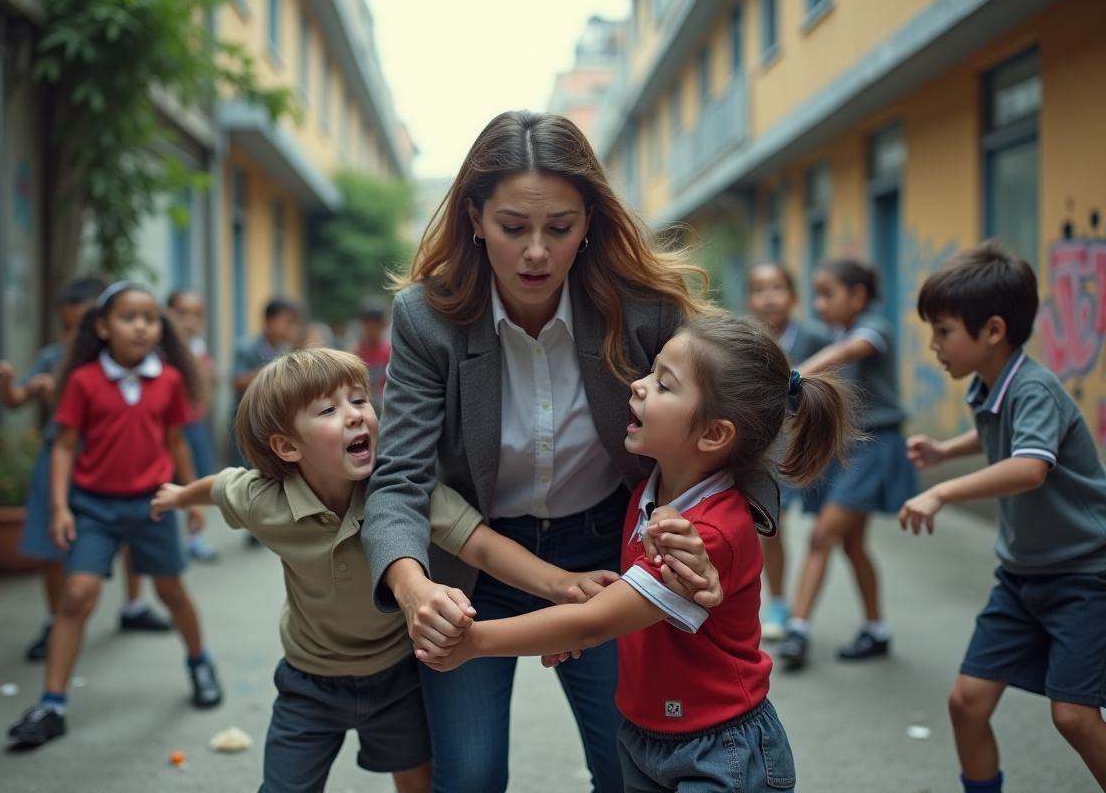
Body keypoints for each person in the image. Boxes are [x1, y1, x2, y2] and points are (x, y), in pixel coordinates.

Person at [363, 110, 779, 793]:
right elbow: (399, 478)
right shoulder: (425, 318)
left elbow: (745, 414)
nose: (536, 252)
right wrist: (415, 589)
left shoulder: (644, 306)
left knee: (627, 769)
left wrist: (722, 542)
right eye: (513, 227)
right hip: (473, 565)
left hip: (609, 557)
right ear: (474, 217)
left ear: (589, 222)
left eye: (559, 228)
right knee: (468, 777)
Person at [419, 312, 859, 792]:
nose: (638, 384)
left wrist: (473, 642)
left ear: (714, 434)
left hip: (719, 751)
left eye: (664, 385)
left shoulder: (709, 532)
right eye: (652, 371)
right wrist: (577, 624)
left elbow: (595, 622)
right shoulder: (649, 495)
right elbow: (619, 617)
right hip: (647, 738)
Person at [149, 348, 621, 793]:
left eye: (358, 400)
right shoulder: (263, 501)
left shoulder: (402, 491)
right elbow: (220, 487)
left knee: (417, 783)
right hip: (309, 681)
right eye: (328, 410)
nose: (356, 414)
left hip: (398, 675)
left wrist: (560, 583)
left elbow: (480, 546)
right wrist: (179, 496)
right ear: (287, 446)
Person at [901, 242, 1106, 793]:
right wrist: (945, 450)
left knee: (1075, 716)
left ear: (992, 330)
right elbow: (994, 430)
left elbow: (1030, 466)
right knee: (966, 703)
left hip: (1084, 577)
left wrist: (942, 491)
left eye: (943, 331)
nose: (934, 345)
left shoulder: (1034, 386)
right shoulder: (992, 383)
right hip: (1020, 578)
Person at [7, 282, 221, 747]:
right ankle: (52, 705)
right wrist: (60, 507)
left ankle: (200, 663)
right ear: (102, 327)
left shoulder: (168, 380)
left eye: (150, 318)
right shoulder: (83, 381)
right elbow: (64, 446)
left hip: (153, 505)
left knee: (172, 592)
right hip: (94, 507)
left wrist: (189, 498)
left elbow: (177, 442)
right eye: (128, 317)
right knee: (75, 597)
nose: (141, 326)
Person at [0, 277, 168, 662]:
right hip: (61, 459)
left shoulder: (123, 363)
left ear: (101, 323)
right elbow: (16, 399)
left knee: (132, 532)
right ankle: (56, 620)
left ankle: (134, 605)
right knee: (55, 541)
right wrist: (12, 387)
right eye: (66, 326)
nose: (73, 335)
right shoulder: (55, 360)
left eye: (80, 325)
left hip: (109, 463)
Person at [779, 258, 918, 670]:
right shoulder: (837, 332)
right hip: (849, 449)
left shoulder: (874, 329)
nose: (819, 305)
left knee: (822, 536)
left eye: (828, 295)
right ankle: (877, 630)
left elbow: (848, 351)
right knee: (852, 544)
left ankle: (797, 629)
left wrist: (793, 376)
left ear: (858, 295)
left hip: (874, 447)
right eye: (817, 295)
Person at [745, 263, 832, 640]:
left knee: (831, 534)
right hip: (769, 453)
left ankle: (872, 622)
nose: (769, 297)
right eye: (759, 289)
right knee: (772, 530)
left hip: (812, 450)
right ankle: (780, 605)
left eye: (777, 288)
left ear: (794, 296)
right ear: (749, 300)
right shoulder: (749, 343)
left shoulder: (816, 339)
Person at [167, 289, 220, 561]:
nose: (190, 321)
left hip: (194, 424)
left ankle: (195, 537)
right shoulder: (164, 351)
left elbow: (207, 390)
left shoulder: (200, 350)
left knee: (197, 482)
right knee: (167, 482)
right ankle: (168, 537)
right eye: (182, 314)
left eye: (197, 315)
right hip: (167, 429)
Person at [233, 298, 300, 465]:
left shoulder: (283, 349)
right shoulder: (246, 347)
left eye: (294, 325)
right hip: (247, 417)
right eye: (287, 323)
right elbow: (236, 381)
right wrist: (271, 372)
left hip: (269, 419)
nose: (291, 329)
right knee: (244, 464)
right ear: (269, 321)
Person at [354, 296, 392, 413]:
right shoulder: (357, 352)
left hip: (386, 404)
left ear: (383, 325)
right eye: (368, 324)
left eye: (376, 324)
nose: (372, 329)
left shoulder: (390, 351)